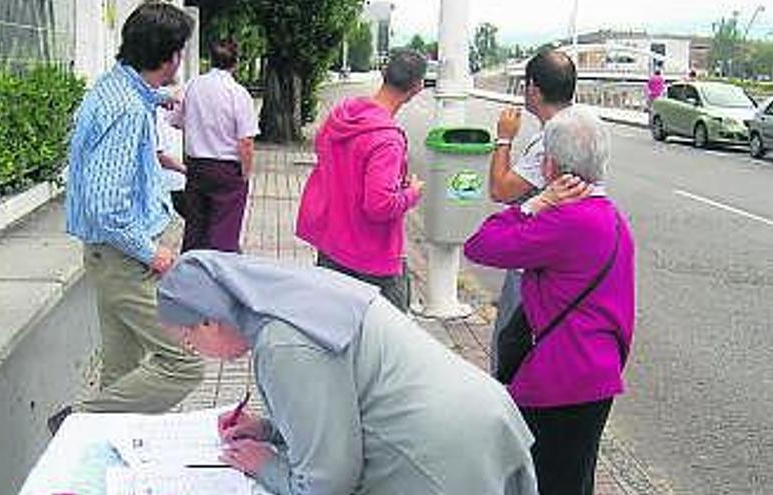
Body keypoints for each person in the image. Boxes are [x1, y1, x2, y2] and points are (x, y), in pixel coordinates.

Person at [157, 251, 538, 495]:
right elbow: (348, 393)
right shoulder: (292, 296)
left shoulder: (281, 343)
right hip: (479, 417)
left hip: (440, 457)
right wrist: (272, 429)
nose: (194, 351)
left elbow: (328, 482)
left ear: (208, 322)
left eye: (188, 341)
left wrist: (266, 465)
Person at [464, 107, 635, 495]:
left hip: (559, 380)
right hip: (597, 374)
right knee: (574, 481)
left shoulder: (564, 221)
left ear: (551, 165)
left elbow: (481, 244)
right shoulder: (611, 217)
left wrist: (533, 205)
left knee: (545, 482)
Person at [56, 2, 203, 429]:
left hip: (107, 257)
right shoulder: (127, 112)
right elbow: (107, 206)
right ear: (171, 55)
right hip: (125, 259)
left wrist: (165, 97)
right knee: (183, 364)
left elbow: (136, 96)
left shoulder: (114, 88)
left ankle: (99, 462)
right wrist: (151, 252)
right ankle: (77, 423)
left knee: (121, 371)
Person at [295, 49, 426, 313]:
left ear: (383, 74)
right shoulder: (387, 140)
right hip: (373, 259)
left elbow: (322, 152)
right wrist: (411, 193)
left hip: (332, 246)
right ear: (417, 87)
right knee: (389, 342)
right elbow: (378, 205)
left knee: (332, 330)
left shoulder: (341, 115)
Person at [487, 49, 576, 374]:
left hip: (532, 266)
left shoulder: (549, 142)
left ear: (534, 89)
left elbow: (500, 190)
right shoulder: (580, 128)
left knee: (510, 350)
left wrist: (503, 139)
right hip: (566, 262)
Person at [170, 39, 259, 253]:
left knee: (195, 228)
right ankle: (218, 276)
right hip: (227, 170)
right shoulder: (238, 93)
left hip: (196, 166)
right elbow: (245, 141)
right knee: (224, 234)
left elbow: (176, 120)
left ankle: (191, 274)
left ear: (210, 59)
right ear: (236, 63)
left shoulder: (193, 86)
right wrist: (245, 173)